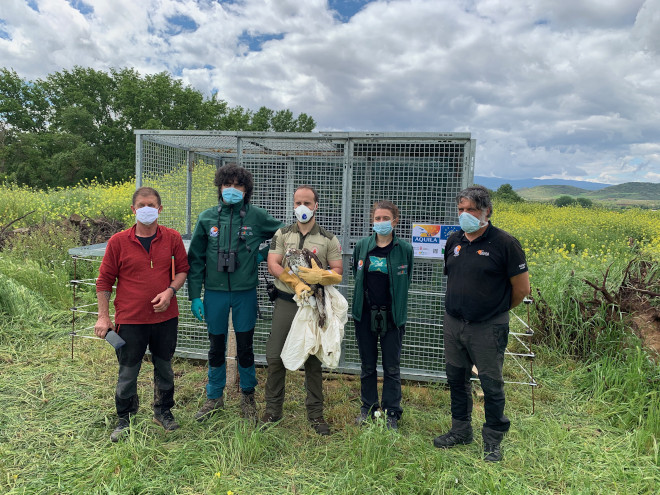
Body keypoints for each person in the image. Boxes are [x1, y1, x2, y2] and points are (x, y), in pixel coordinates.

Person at [433, 185, 530, 462]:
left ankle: (493, 440)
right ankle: (460, 430)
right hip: (454, 324)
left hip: (488, 327)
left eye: (471, 210)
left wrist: (494, 310)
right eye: (461, 209)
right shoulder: (454, 241)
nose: (465, 214)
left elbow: (521, 290)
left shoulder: (505, 244)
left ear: (486, 211)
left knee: (491, 383)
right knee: (456, 379)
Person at [187, 163, 283, 422]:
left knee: (245, 346)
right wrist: (195, 295)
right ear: (219, 187)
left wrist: (262, 254)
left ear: (246, 190)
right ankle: (214, 397)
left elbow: (285, 233)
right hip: (215, 294)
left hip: (245, 293)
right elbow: (195, 258)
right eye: (227, 184)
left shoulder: (256, 216)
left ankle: (248, 397)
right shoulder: (207, 218)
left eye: (237, 185)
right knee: (216, 347)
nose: (232, 189)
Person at [95, 187, 189, 442]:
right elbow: (104, 281)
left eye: (151, 205)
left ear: (159, 209)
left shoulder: (172, 238)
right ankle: (125, 418)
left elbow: (182, 270)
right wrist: (104, 316)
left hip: (165, 318)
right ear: (133, 210)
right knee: (128, 370)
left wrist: (170, 292)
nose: (146, 209)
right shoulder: (118, 242)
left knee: (165, 367)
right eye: (141, 205)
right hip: (130, 319)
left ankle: (163, 411)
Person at [261, 185, 343, 435]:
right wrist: (294, 282)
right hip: (288, 301)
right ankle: (273, 410)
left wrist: (322, 275)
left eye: (307, 203)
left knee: (313, 360)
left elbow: (338, 270)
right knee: (275, 357)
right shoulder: (283, 234)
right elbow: (273, 263)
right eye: (298, 202)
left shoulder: (328, 238)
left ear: (316, 206)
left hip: (314, 304)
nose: (302, 208)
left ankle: (316, 416)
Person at [351, 200, 413, 431]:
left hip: (393, 316)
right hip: (365, 314)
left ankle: (391, 412)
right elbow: (357, 276)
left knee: (392, 367)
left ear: (395, 221)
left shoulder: (404, 250)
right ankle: (368, 406)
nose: (381, 222)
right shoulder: (362, 247)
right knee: (368, 365)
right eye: (377, 218)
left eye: (385, 218)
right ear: (371, 221)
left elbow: (406, 279)